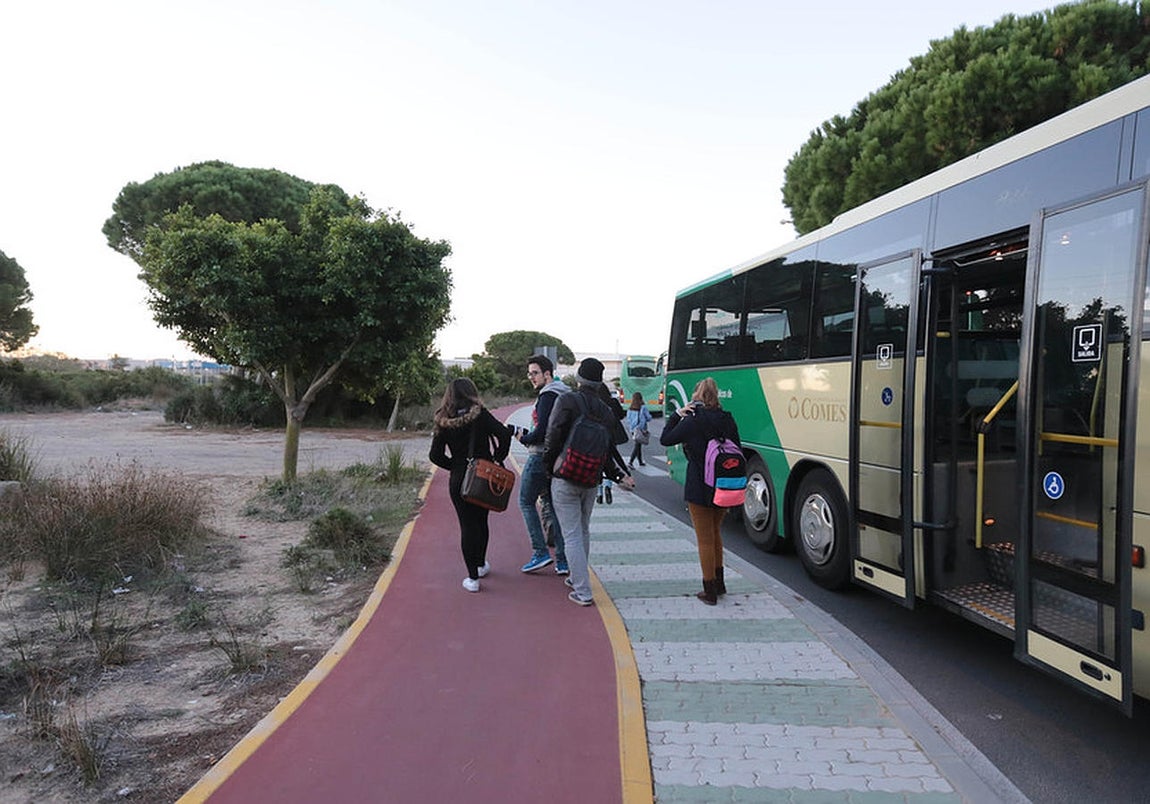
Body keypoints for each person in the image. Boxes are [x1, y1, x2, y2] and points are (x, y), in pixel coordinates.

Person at [544, 357, 633, 606]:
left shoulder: (567, 400)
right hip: (591, 478)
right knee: (583, 529)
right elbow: (608, 449)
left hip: (565, 476)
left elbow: (553, 436)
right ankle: (576, 578)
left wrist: (549, 467)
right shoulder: (605, 410)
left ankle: (583, 591)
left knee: (571, 534)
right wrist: (616, 475)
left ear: (579, 378)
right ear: (598, 382)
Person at [659, 377, 741, 605]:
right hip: (724, 485)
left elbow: (666, 439)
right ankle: (720, 583)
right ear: (716, 395)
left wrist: (677, 415)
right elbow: (737, 447)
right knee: (715, 533)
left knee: (704, 538)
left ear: (696, 396)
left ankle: (709, 590)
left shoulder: (692, 421)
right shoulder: (727, 419)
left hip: (699, 485)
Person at [429, 378, 512, 593]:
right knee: (481, 521)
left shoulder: (442, 419)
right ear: (471, 392)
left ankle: (472, 578)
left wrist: (456, 467)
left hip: (459, 479)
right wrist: (496, 456)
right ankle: (481, 564)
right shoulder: (480, 414)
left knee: (466, 525)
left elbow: (435, 455)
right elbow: (503, 434)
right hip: (482, 476)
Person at [514, 354, 571, 574]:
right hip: (556, 459)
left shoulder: (547, 396)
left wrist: (522, 437)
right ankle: (563, 561)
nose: (531, 377)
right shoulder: (565, 393)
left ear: (548, 374)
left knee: (526, 502)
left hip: (539, 457)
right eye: (529, 373)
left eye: (535, 373)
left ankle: (540, 553)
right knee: (551, 505)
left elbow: (542, 432)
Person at [625, 391, 652, 468]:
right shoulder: (643, 408)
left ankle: (640, 461)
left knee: (638, 445)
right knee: (637, 446)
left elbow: (628, 420)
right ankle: (630, 462)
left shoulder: (630, 409)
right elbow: (648, 418)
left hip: (633, 430)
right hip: (640, 429)